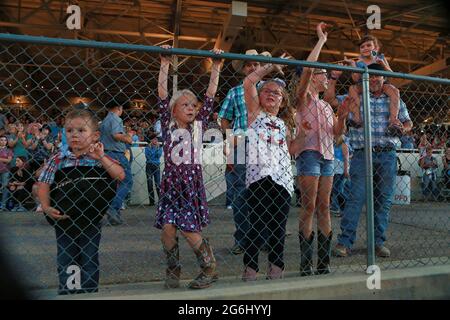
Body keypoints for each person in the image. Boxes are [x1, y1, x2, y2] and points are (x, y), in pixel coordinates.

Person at [155, 45, 223, 289]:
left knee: (187, 227)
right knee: (167, 228)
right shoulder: (168, 124)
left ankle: (209, 267)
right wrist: (165, 64)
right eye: (185, 105)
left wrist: (215, 68)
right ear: (174, 110)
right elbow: (162, 93)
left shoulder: (198, 126)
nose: (192, 108)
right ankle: (173, 268)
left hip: (189, 185)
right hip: (171, 184)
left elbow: (210, 96)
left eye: (193, 105)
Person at [37, 108, 125, 294]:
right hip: (64, 218)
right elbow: (43, 183)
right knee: (66, 257)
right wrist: (45, 206)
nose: (74, 135)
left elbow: (120, 175)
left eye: (81, 130)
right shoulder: (58, 159)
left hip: (92, 218)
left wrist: (101, 157)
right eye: (69, 131)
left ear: (95, 136)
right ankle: (70, 292)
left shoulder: (99, 158)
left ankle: (89, 292)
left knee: (89, 257)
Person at [334, 63, 413, 258]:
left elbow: (408, 122)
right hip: (362, 154)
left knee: (383, 200)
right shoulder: (355, 97)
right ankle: (345, 242)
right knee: (355, 198)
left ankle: (378, 242)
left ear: (383, 78)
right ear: (365, 78)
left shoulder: (393, 97)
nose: (375, 80)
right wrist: (333, 80)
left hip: (387, 154)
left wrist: (403, 128)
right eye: (372, 76)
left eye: (379, 76)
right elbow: (331, 100)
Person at [294, 22, 348, 276]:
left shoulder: (327, 106)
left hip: (327, 157)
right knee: (309, 206)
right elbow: (306, 69)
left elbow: (337, 134)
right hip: (309, 154)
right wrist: (321, 41)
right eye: (322, 73)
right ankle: (306, 264)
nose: (326, 77)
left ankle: (323, 263)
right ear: (313, 76)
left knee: (324, 206)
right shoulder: (304, 98)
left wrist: (344, 116)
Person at [240, 51, 297, 281]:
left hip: (282, 178)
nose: (272, 95)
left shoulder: (285, 123)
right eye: (267, 91)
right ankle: (250, 269)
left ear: (283, 100)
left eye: (277, 93)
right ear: (260, 96)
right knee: (256, 225)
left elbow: (292, 150)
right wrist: (270, 66)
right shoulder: (255, 114)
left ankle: (276, 267)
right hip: (259, 176)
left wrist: (304, 133)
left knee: (278, 228)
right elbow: (249, 81)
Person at [219, 49, 271, 255]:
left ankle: (264, 237)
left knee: (265, 192)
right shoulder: (235, 92)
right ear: (243, 69)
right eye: (248, 64)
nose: (252, 67)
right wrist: (231, 138)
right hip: (242, 144)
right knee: (241, 194)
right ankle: (243, 238)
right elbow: (224, 119)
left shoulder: (270, 88)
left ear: (261, 67)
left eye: (256, 64)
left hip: (265, 146)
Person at [346, 35, 401, 136]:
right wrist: (353, 65)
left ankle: (393, 120)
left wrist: (383, 65)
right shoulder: (359, 62)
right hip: (364, 85)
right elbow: (355, 79)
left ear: (375, 48)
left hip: (381, 85)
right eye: (362, 47)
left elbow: (391, 75)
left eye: (368, 45)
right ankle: (357, 118)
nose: (365, 48)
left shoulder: (380, 58)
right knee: (352, 89)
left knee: (394, 91)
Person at [99, 98, 133, 225]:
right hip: (116, 154)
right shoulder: (116, 119)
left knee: (112, 185)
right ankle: (113, 208)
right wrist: (128, 137)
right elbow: (116, 135)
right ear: (119, 108)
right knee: (127, 181)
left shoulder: (104, 121)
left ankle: (115, 214)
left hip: (106, 154)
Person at [330, 135, 350, 218]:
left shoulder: (343, 145)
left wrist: (346, 170)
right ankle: (337, 207)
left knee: (337, 189)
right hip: (334, 170)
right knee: (335, 189)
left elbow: (346, 158)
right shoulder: (333, 145)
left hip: (340, 170)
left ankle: (345, 205)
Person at [145, 136, 162, 206]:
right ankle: (151, 201)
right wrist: (154, 150)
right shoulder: (147, 148)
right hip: (149, 165)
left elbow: (158, 155)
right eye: (153, 139)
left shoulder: (159, 148)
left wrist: (154, 150)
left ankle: (160, 201)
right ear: (151, 140)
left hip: (156, 166)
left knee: (157, 183)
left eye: (156, 140)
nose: (155, 141)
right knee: (149, 184)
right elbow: (147, 156)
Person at [0, 135, 13, 210]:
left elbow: (9, 160)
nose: (3, 142)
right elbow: (6, 160)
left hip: (5, 171)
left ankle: (3, 205)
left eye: (5, 140)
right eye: (1, 140)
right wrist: (3, 159)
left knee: (5, 187)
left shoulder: (9, 150)